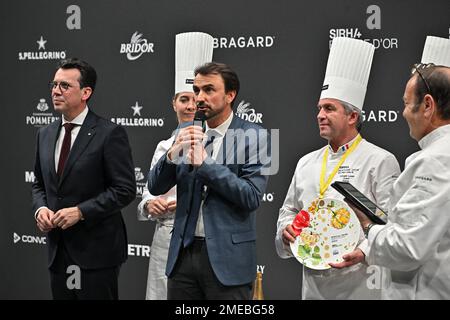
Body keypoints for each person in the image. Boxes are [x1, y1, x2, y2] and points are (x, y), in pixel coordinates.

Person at [275, 37, 401, 300]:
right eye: (319, 108)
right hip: (313, 285)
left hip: (360, 284)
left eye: (329, 108)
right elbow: (289, 210)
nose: (320, 114)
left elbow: (391, 222)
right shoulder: (306, 162)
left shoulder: (380, 160)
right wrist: (286, 231)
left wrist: (365, 252)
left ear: (352, 116)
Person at [148, 62, 271, 300]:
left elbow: (251, 196)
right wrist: (173, 153)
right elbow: (154, 186)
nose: (199, 98)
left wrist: (206, 165)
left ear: (230, 95)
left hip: (228, 261)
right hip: (182, 258)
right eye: (196, 91)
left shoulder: (256, 136)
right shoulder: (186, 132)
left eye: (209, 90)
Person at [354, 36, 450, 299]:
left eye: (407, 104)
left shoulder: (434, 160)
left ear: (428, 105)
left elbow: (407, 248)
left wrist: (368, 227)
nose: (404, 113)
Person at [32, 58, 136, 300]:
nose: (55, 91)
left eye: (65, 86)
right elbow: (38, 184)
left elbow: (124, 189)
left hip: (97, 253)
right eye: (54, 84)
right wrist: (41, 210)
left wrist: (80, 211)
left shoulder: (109, 133)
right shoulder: (44, 134)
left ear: (86, 92)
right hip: (58, 251)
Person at [137, 32, 213, 300]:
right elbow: (148, 193)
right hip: (165, 239)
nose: (191, 105)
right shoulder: (164, 146)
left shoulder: (220, 145)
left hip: (203, 241)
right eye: (184, 99)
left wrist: (189, 204)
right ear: (173, 104)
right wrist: (149, 205)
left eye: (196, 98)